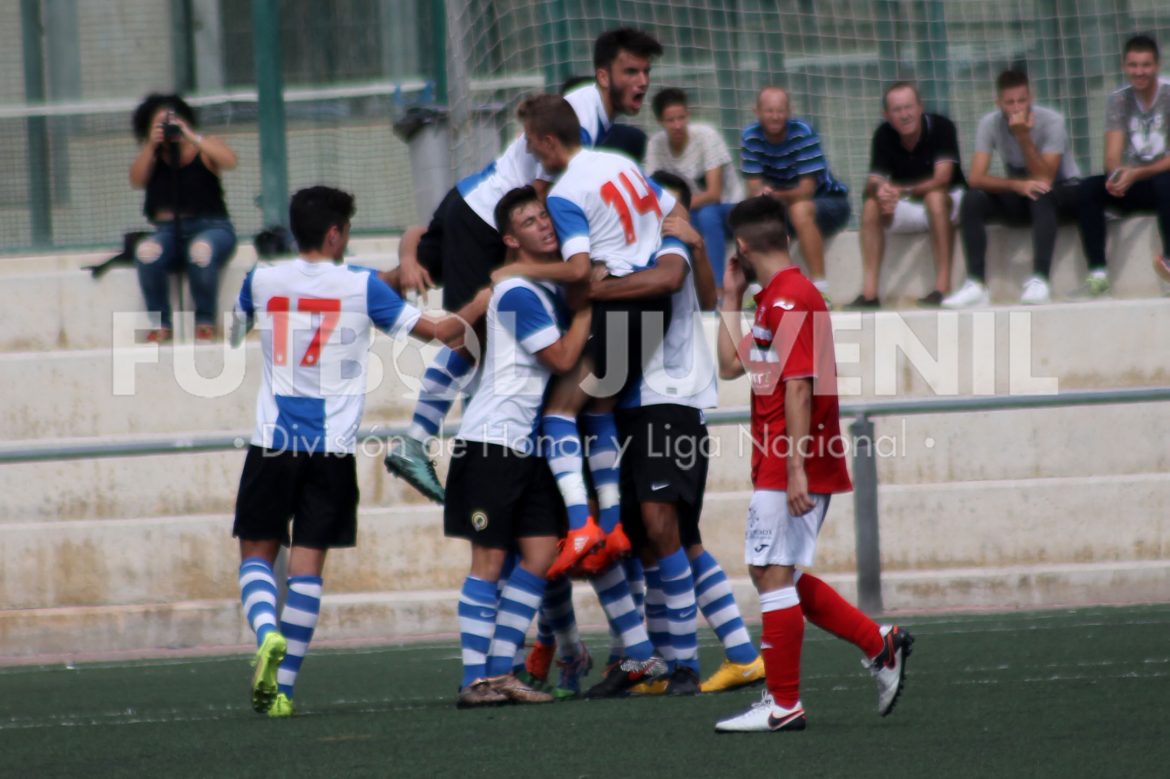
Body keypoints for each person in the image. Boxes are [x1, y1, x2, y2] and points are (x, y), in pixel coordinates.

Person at [230, 186, 490, 718]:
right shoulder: (362, 286)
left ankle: (265, 632)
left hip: (273, 444)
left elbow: (236, 330)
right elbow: (440, 331)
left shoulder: (260, 278)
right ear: (334, 234)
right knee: (307, 570)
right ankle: (284, 690)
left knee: (257, 555)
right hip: (331, 451)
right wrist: (485, 298)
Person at [384, 27, 664, 504]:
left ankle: (328, 305)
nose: (641, 81)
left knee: (440, 306)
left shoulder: (591, 117)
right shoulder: (582, 114)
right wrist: (540, 264)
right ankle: (420, 439)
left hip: (476, 203)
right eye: (630, 71)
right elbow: (542, 193)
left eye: (645, 72)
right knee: (477, 336)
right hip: (486, 220)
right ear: (604, 75)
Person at [713, 196, 913, 733]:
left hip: (790, 456)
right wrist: (729, 296)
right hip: (778, 455)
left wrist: (796, 466)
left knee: (771, 573)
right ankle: (880, 644)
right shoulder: (771, 297)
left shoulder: (792, 298)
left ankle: (784, 705)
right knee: (772, 572)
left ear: (741, 244)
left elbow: (800, 387)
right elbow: (731, 365)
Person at [445, 186, 593, 707]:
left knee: (540, 552)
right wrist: (591, 304)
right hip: (491, 443)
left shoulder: (536, 288)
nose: (544, 226)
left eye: (545, 217)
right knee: (488, 562)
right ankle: (474, 680)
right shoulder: (518, 293)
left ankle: (501, 671)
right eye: (529, 222)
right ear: (512, 238)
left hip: (521, 447)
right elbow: (561, 356)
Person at [944, 71, 1082, 308]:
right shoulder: (990, 123)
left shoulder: (1052, 121)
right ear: (999, 103)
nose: (1017, 108)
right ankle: (976, 284)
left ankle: (1040, 279)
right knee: (973, 199)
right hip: (1024, 194)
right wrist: (1017, 184)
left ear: (1031, 98)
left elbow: (1046, 178)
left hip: (1064, 193)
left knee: (1041, 192)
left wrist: (1022, 136)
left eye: (1022, 100)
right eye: (1010, 102)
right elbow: (976, 177)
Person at [129, 93, 238, 342]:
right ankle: (160, 324)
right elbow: (136, 179)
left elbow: (229, 160)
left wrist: (190, 136)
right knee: (146, 253)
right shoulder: (153, 157)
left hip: (212, 226)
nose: (167, 128)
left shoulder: (203, 148)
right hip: (168, 230)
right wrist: (150, 145)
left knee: (201, 251)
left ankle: (205, 320)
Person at [850, 82, 965, 309]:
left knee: (935, 197)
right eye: (897, 110)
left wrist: (900, 190)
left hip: (949, 200)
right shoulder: (883, 134)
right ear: (887, 115)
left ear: (920, 107)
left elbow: (943, 178)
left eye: (908, 107)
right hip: (910, 204)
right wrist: (881, 192)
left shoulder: (942, 127)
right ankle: (870, 294)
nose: (904, 115)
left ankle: (942, 288)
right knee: (872, 205)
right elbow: (872, 182)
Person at [1078, 34, 1170, 294]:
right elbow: (1112, 155)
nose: (1139, 72)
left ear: (1157, 66)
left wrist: (1137, 172)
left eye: (1145, 65)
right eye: (1133, 65)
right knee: (1088, 188)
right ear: (1124, 66)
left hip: (1163, 180)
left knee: (1166, 182)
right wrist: (1118, 176)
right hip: (1136, 182)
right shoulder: (1118, 99)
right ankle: (1097, 271)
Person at [741, 87, 850, 305]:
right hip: (783, 205)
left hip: (828, 201)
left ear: (789, 111)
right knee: (749, 214)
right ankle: (759, 291)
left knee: (799, 210)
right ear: (757, 112)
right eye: (769, 110)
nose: (775, 116)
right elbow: (753, 186)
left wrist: (772, 195)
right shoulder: (750, 136)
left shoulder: (802, 132)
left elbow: (806, 191)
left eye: (780, 110)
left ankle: (820, 290)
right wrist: (761, 196)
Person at [646, 87, 745, 298]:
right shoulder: (656, 145)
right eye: (670, 120)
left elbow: (714, 193)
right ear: (660, 121)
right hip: (691, 211)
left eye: (681, 117)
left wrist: (676, 208)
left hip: (728, 206)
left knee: (707, 215)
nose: (678, 125)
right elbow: (653, 191)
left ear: (688, 115)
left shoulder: (706, 136)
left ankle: (718, 290)